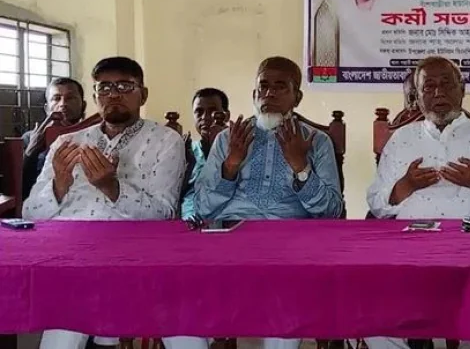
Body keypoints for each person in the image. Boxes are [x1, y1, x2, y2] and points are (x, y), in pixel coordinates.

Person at [22, 57, 200, 349]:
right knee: (61, 334)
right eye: (104, 88)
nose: (114, 94)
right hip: (73, 254)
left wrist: (111, 187)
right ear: (95, 97)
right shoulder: (67, 143)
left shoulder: (166, 140)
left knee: (185, 330)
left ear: (143, 95)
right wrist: (59, 185)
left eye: (125, 86)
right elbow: (30, 213)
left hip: (139, 255)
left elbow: (164, 213)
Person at [365, 56, 470, 349]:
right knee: (373, 308)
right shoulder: (401, 138)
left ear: (462, 90)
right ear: (417, 97)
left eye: (446, 84)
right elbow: (376, 204)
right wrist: (405, 186)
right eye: (429, 87)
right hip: (412, 249)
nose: (438, 93)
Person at [197, 56, 343, 221]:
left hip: (292, 232)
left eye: (280, 87)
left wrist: (301, 167)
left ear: (297, 97)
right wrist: (230, 166)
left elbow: (332, 212)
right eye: (263, 87)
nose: (269, 94)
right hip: (234, 228)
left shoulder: (317, 141)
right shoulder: (228, 139)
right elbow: (202, 208)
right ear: (254, 95)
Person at [22, 77, 87, 199]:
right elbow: (17, 185)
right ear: (47, 108)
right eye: (56, 98)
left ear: (83, 106)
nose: (63, 104)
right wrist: (32, 149)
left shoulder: (96, 135)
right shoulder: (29, 138)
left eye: (70, 98)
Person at [181, 88, 230, 220]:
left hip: (225, 216)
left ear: (226, 116)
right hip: (189, 216)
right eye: (199, 111)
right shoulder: (190, 148)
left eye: (213, 111)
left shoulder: (238, 147)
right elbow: (176, 194)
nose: (205, 117)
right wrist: (188, 165)